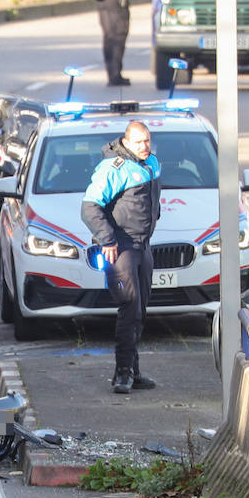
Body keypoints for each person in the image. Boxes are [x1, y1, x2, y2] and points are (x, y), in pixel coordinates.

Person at [80, 121, 162, 394]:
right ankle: (122, 373)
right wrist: (108, 239)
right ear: (126, 143)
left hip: (143, 245)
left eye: (147, 140)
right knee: (129, 309)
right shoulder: (113, 169)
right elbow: (90, 207)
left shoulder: (151, 163)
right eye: (138, 142)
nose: (144, 146)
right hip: (122, 247)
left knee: (140, 312)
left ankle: (134, 370)